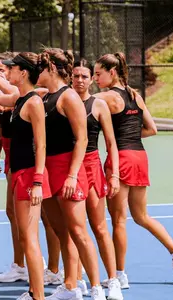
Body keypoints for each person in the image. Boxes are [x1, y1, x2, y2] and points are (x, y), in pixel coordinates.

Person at [93, 52, 173, 288]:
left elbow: (82, 103)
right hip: (139, 156)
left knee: (118, 220)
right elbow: (152, 129)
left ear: (112, 72)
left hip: (122, 159)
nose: (96, 78)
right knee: (141, 216)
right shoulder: (134, 95)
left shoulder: (106, 97)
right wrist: (130, 136)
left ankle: (119, 275)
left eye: (98, 73)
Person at [0, 52, 51, 300]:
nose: (7, 71)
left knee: (29, 238)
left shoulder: (33, 102)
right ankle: (34, 290)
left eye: (11, 68)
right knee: (25, 235)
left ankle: (38, 295)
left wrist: (38, 182)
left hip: (30, 175)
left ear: (23, 73)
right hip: (21, 172)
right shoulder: (19, 99)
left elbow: (41, 145)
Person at [36, 48, 105, 300]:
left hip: (68, 170)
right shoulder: (43, 97)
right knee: (60, 231)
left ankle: (96, 287)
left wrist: (73, 175)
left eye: (41, 68)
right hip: (48, 171)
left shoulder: (69, 98)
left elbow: (82, 138)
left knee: (78, 231)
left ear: (52, 69)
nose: (38, 73)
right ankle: (71, 285)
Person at [71, 59, 123, 300]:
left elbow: (111, 143)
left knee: (100, 226)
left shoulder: (99, 105)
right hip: (70, 166)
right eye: (76, 76)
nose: (80, 80)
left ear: (91, 79)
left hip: (92, 166)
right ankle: (78, 279)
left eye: (84, 76)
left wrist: (114, 175)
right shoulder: (66, 102)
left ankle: (113, 280)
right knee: (76, 228)